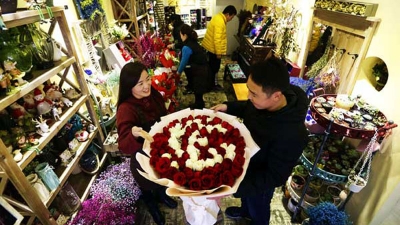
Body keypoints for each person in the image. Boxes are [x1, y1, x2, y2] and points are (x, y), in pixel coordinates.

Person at [211, 57, 309, 225]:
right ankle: (244, 211)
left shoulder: (292, 134)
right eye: (249, 89)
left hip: (260, 180)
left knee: (258, 207)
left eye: (254, 93)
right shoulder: (264, 101)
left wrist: (233, 187)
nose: (248, 96)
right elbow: (248, 107)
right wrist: (229, 107)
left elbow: (274, 177)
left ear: (277, 96)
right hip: (247, 164)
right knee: (246, 200)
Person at [116, 62, 178, 225]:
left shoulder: (153, 94)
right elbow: (123, 144)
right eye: (140, 83)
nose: (146, 86)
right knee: (148, 185)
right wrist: (133, 134)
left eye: (147, 79)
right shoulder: (126, 109)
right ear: (129, 87)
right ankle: (152, 205)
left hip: (160, 151)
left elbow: (163, 118)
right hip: (143, 158)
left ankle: (162, 195)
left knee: (161, 179)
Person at [202, 5, 237, 91]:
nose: (231, 20)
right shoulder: (220, 22)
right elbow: (217, 39)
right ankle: (212, 86)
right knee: (214, 68)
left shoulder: (218, 17)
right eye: (231, 17)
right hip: (213, 50)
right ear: (228, 14)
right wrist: (218, 53)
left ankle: (211, 84)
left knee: (212, 68)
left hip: (211, 48)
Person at [177, 24, 210, 109]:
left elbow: (183, 62)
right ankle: (199, 104)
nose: (180, 37)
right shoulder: (192, 41)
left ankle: (199, 107)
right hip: (203, 68)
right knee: (198, 90)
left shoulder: (186, 47)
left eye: (180, 34)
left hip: (199, 70)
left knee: (198, 90)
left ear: (184, 35)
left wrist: (178, 73)